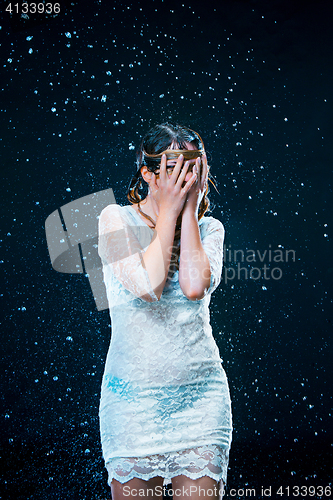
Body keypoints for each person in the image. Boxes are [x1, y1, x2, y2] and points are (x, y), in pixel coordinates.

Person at [98, 123, 232, 499]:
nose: (184, 177)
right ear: (148, 173)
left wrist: (187, 212)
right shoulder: (115, 219)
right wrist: (170, 211)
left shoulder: (210, 229)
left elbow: (193, 287)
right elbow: (148, 287)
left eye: (192, 166)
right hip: (131, 403)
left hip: (201, 400)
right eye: (172, 168)